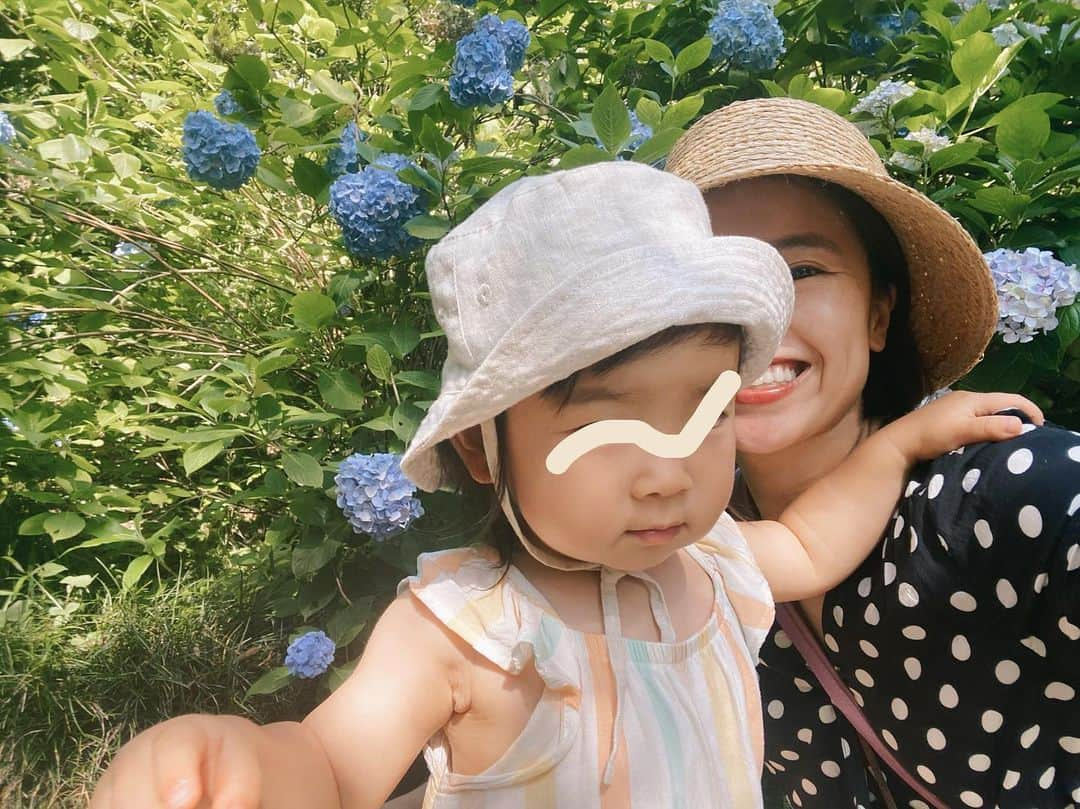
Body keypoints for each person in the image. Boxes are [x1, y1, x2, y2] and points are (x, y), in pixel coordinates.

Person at [88, 161, 1040, 809]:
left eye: (703, 411)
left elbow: (812, 541)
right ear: (480, 454)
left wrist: (901, 442)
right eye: (600, 425)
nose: (667, 469)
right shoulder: (468, 631)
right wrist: (245, 762)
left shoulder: (710, 567)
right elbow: (334, 764)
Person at [667, 96, 1080, 809]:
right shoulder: (673, 541)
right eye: (710, 283)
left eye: (800, 272)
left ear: (879, 314)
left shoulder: (1017, 492)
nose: (754, 319)